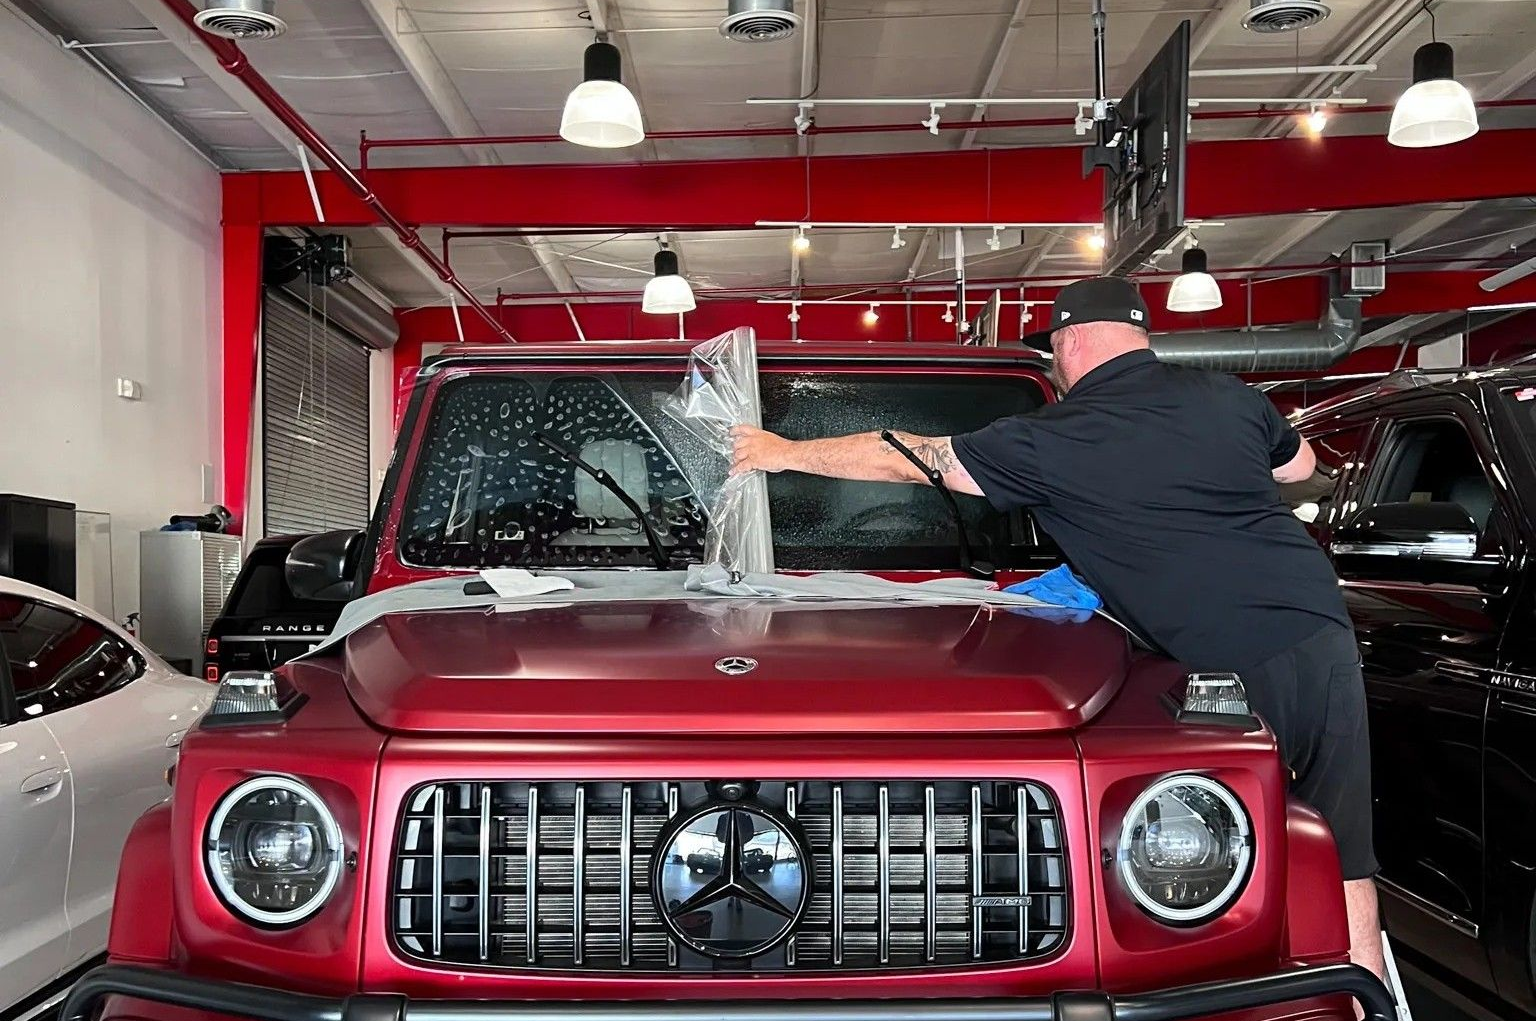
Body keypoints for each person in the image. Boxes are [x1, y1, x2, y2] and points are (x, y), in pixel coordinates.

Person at [729, 276, 1383, 977]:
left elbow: (905, 457)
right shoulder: (1232, 397)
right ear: (1138, 335)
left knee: (1210, 871)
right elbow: (1301, 467)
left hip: (1217, 665)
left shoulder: (1054, 437)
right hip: (1321, 631)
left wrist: (781, 452)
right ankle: (1369, 989)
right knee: (1342, 851)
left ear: (1069, 343)